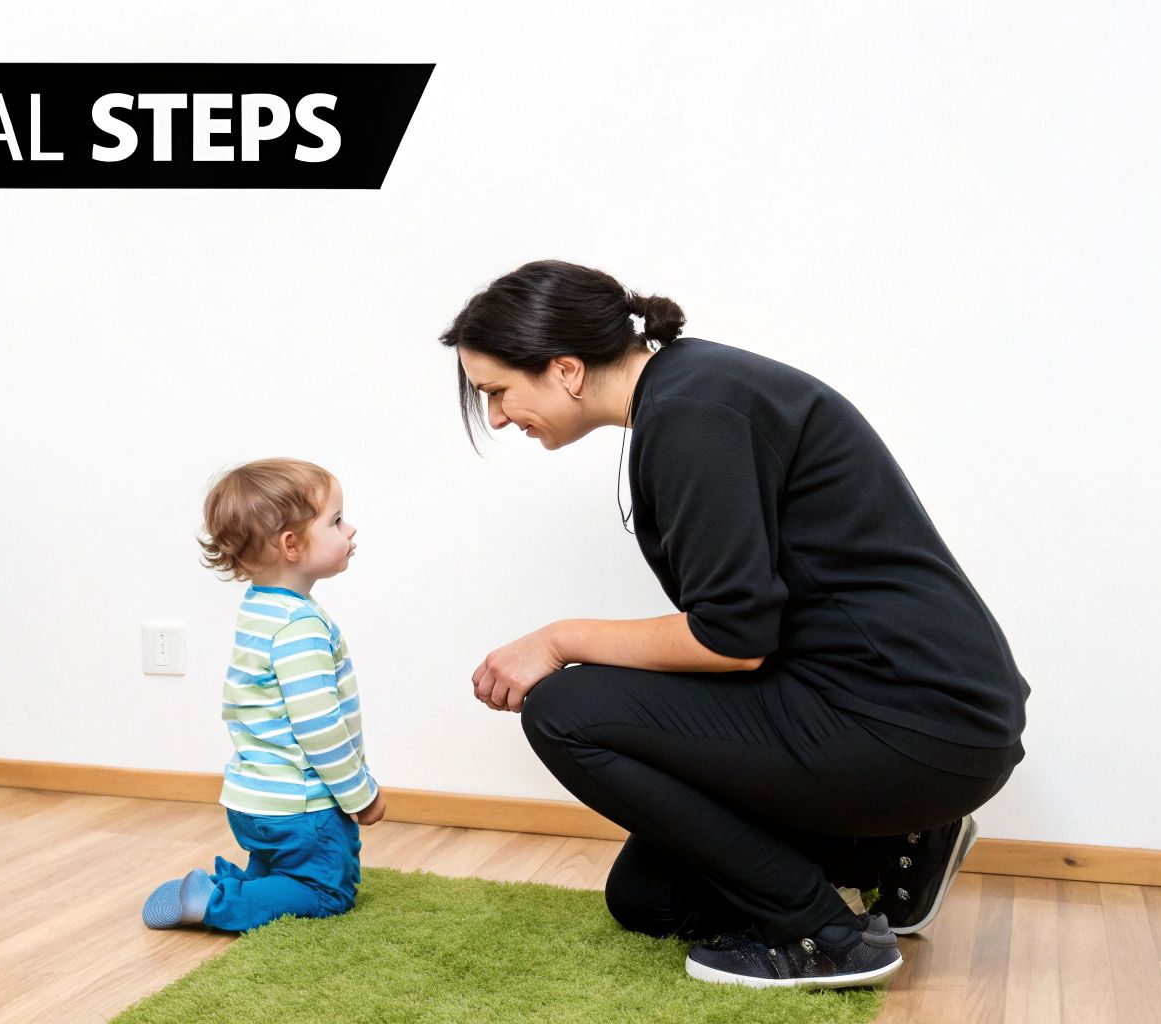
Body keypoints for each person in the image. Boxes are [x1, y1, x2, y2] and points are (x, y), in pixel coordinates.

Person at [437, 259, 1028, 990]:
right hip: (916, 714)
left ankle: (828, 939)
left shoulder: (694, 413)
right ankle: (894, 852)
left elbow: (732, 638)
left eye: (497, 392)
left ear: (565, 369)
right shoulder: (690, 388)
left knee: (563, 711)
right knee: (649, 898)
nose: (495, 416)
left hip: (910, 724)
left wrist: (556, 640)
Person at [141, 458, 386, 932]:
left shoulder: (260, 610)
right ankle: (215, 901)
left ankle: (238, 880)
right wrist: (360, 794)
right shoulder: (300, 628)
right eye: (336, 521)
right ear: (291, 545)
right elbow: (318, 727)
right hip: (302, 808)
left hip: (251, 801)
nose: (350, 529)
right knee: (329, 890)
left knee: (293, 869)